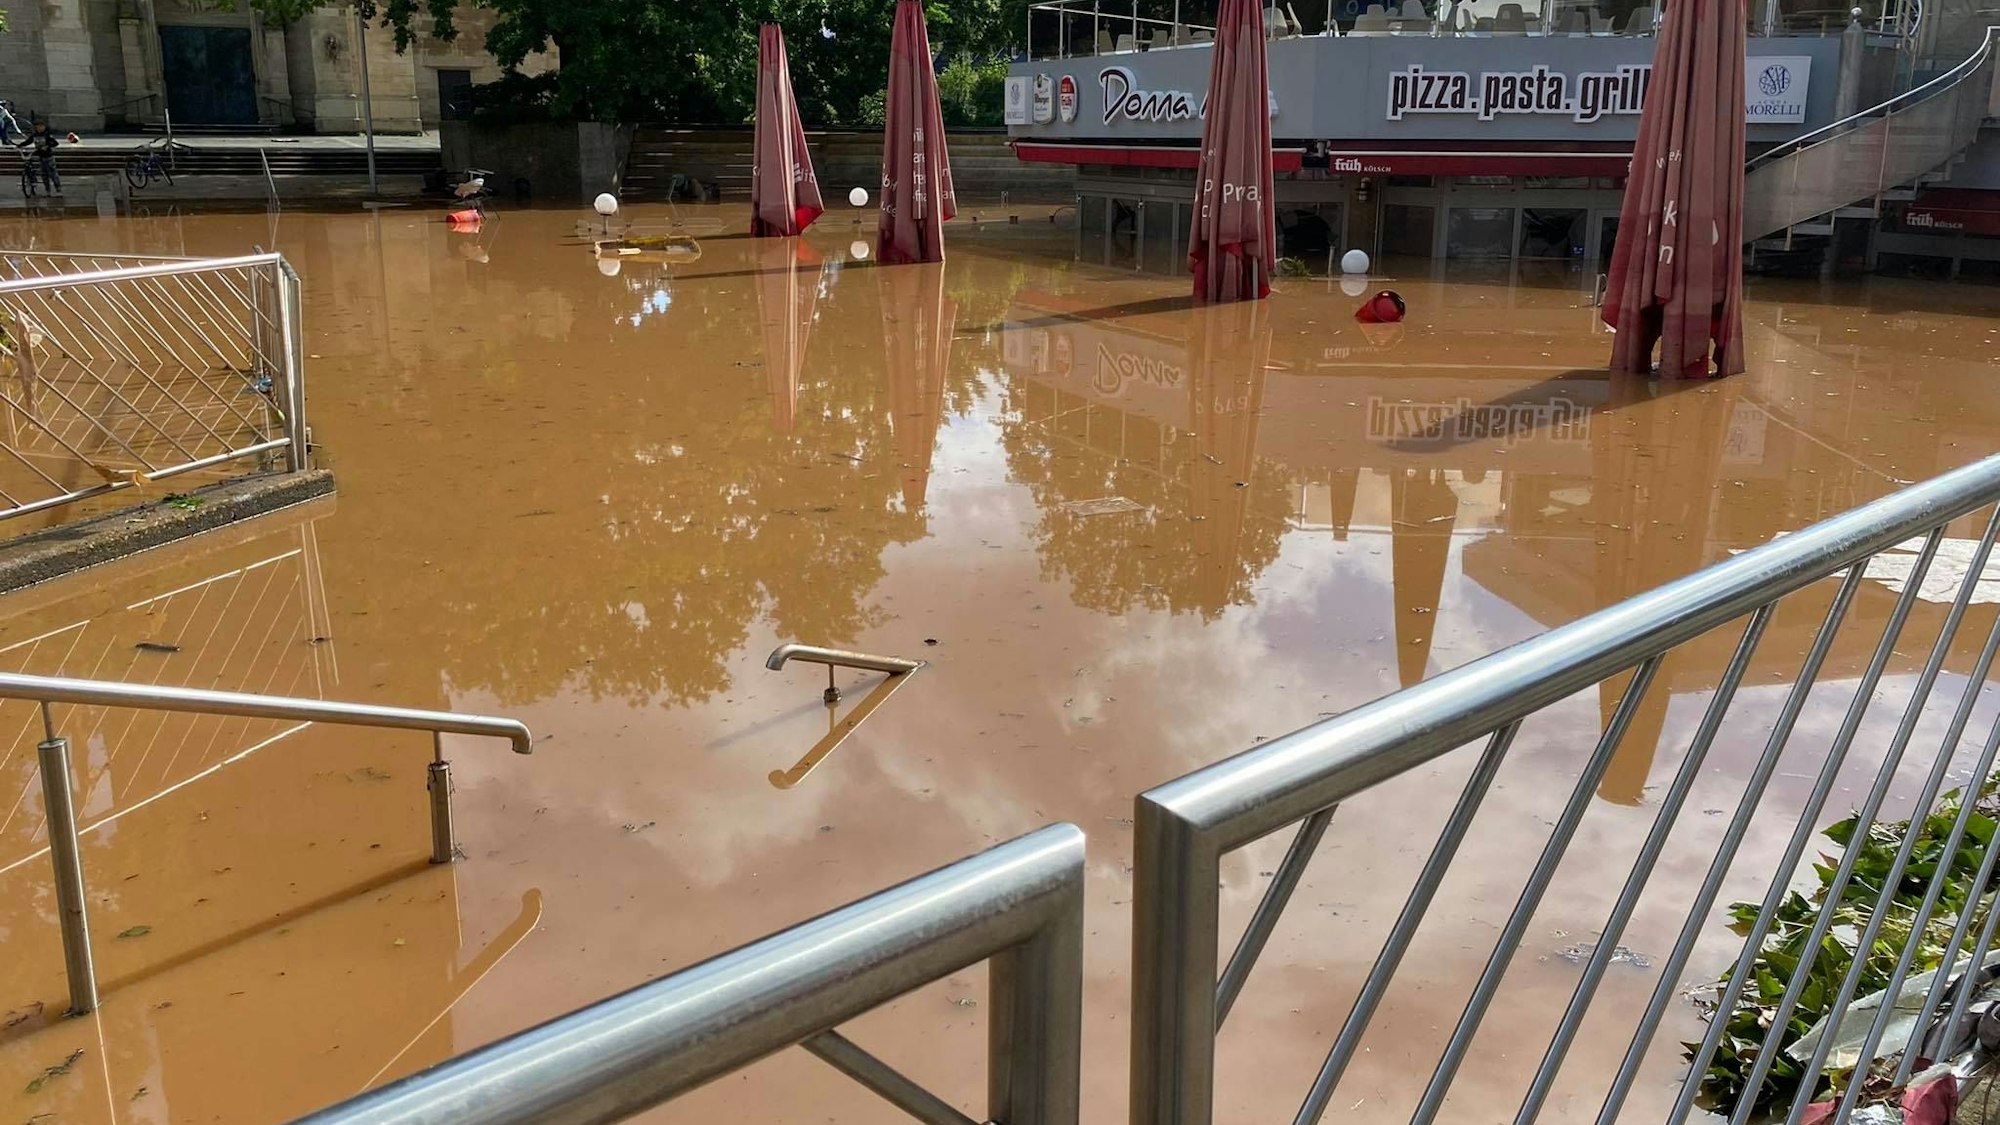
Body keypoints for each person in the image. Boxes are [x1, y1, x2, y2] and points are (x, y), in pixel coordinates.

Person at [21, 119, 62, 194]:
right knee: (44, 175)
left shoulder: (47, 135)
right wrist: (19, 145)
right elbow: (28, 141)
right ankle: (47, 190)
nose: (39, 128)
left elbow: (55, 143)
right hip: (41, 157)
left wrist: (47, 146)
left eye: (41, 127)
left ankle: (58, 189)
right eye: (37, 127)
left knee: (53, 174)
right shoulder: (34, 135)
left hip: (49, 157)